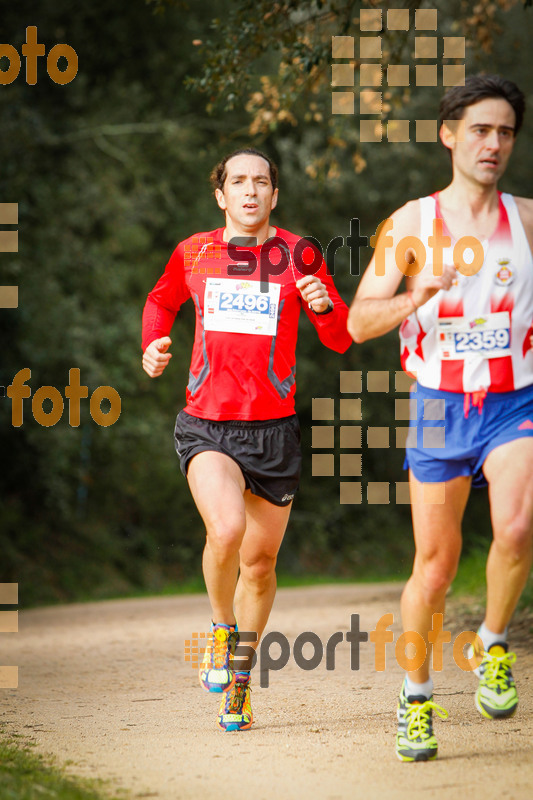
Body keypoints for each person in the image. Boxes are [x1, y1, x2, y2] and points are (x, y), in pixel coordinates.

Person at [348, 75, 533, 762]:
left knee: (515, 526)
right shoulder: (410, 225)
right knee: (434, 567)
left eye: (505, 132)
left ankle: (490, 644)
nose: (492, 143)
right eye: (480, 130)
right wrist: (412, 295)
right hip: (437, 409)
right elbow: (357, 320)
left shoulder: (528, 221)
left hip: (515, 401)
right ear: (448, 135)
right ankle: (416, 695)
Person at [142, 148, 352, 731]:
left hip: (274, 433)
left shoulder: (300, 254)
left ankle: (239, 682)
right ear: (221, 195)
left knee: (259, 565)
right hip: (206, 423)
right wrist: (152, 344)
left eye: (262, 182)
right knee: (226, 529)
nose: (251, 191)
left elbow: (338, 339)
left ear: (275, 195)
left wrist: (326, 304)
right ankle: (219, 627)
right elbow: (161, 301)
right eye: (239, 182)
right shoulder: (195, 251)